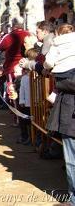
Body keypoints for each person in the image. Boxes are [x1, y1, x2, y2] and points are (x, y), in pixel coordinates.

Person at [44, 23, 75, 205]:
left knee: (72, 160)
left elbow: (48, 62)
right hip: (67, 111)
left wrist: (60, 84)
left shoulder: (56, 44)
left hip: (69, 111)